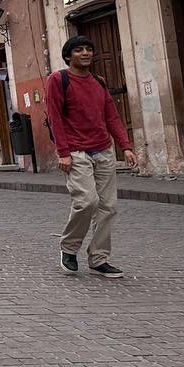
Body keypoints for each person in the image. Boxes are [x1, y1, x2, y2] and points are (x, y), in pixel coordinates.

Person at [46, 34, 137, 278]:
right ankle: (69, 247)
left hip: (103, 150)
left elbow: (111, 115)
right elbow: (54, 117)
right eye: (79, 50)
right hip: (76, 153)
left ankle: (98, 259)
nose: (85, 53)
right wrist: (63, 152)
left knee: (108, 207)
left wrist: (125, 146)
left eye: (88, 49)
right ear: (68, 56)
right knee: (87, 202)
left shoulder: (99, 81)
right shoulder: (58, 79)